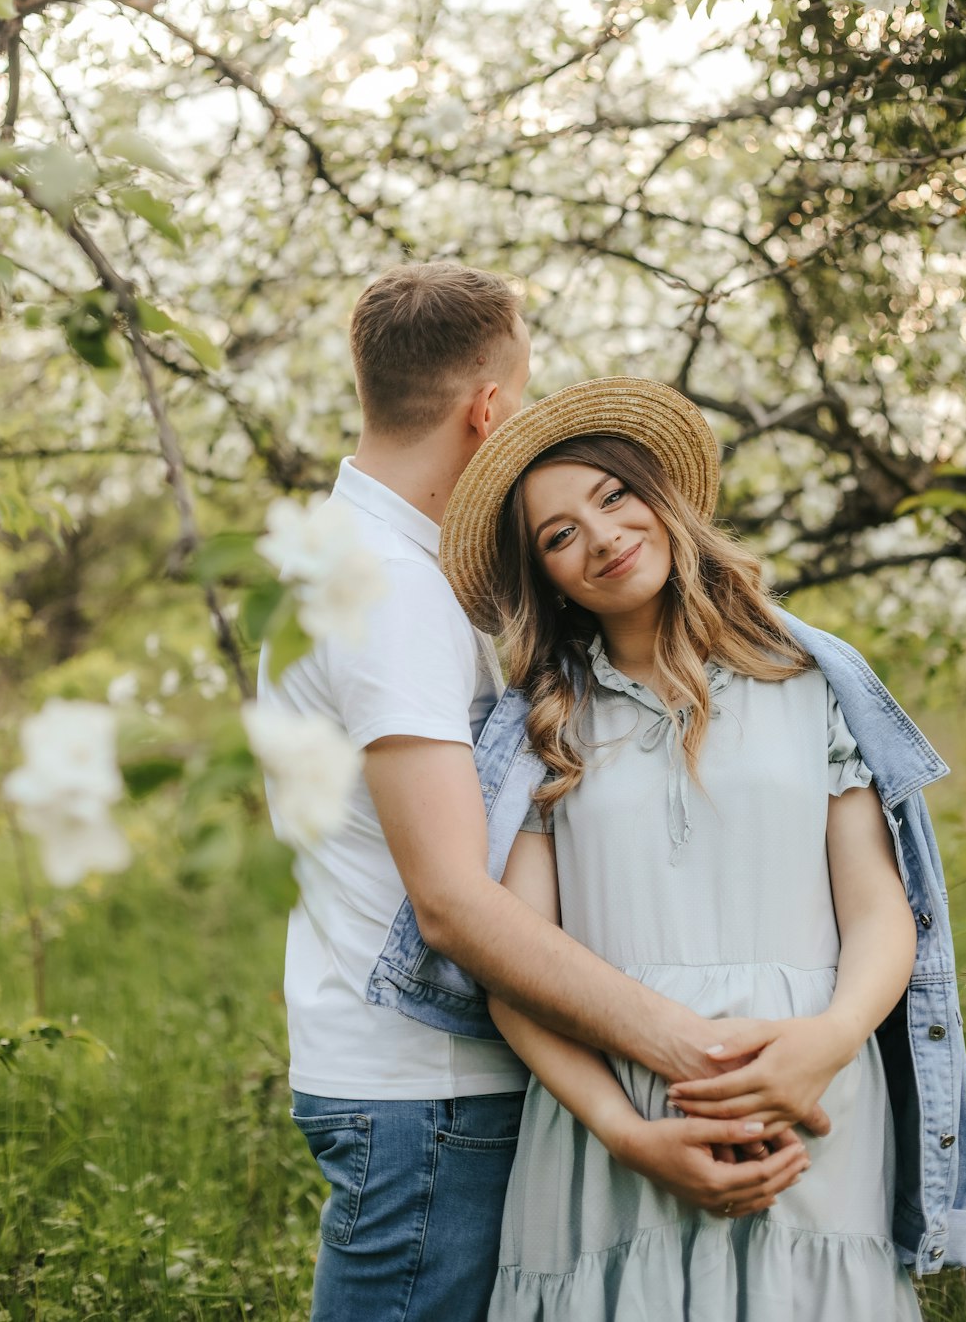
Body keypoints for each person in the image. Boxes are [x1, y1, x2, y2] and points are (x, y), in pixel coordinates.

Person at [256, 269, 808, 1322]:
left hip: (408, 1081)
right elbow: (453, 901)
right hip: (430, 1092)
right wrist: (695, 1054)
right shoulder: (391, 590)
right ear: (488, 409)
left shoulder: (338, 560)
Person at [437, 375, 966, 1319]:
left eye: (613, 497)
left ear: (662, 496)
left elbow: (879, 910)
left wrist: (827, 1041)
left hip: (811, 1107)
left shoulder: (810, 680)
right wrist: (623, 1129)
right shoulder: (546, 727)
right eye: (560, 535)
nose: (603, 538)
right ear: (547, 577)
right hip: (612, 1133)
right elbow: (515, 973)